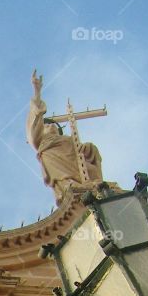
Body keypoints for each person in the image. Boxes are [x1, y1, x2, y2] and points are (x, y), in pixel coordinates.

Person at [27, 70, 102, 203]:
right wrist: (37, 91)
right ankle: (69, 187)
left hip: (77, 166)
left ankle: (95, 187)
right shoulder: (42, 142)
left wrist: (88, 148)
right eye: (46, 126)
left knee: (91, 169)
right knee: (62, 177)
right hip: (58, 167)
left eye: (53, 126)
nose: (50, 126)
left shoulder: (68, 140)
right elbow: (33, 125)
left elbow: (84, 152)